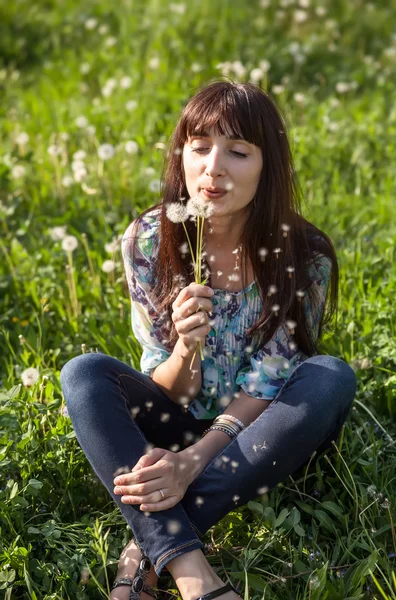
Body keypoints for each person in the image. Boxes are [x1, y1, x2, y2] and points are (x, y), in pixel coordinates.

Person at [60, 80, 357, 600]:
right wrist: (184, 348)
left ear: (269, 167)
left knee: (330, 377)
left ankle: (145, 547)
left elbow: (270, 384)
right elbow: (169, 390)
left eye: (238, 151)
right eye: (199, 147)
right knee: (82, 373)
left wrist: (192, 461)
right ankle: (195, 575)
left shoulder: (305, 256)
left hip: (260, 429)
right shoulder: (150, 242)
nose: (213, 167)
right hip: (174, 420)